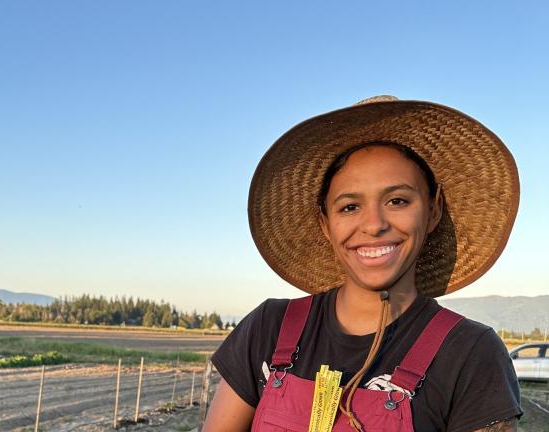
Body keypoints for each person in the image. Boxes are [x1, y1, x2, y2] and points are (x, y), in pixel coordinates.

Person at [204, 96, 523, 431]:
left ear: (433, 211)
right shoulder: (268, 327)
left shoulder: (470, 353)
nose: (374, 225)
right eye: (349, 207)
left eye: (397, 200)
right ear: (326, 224)